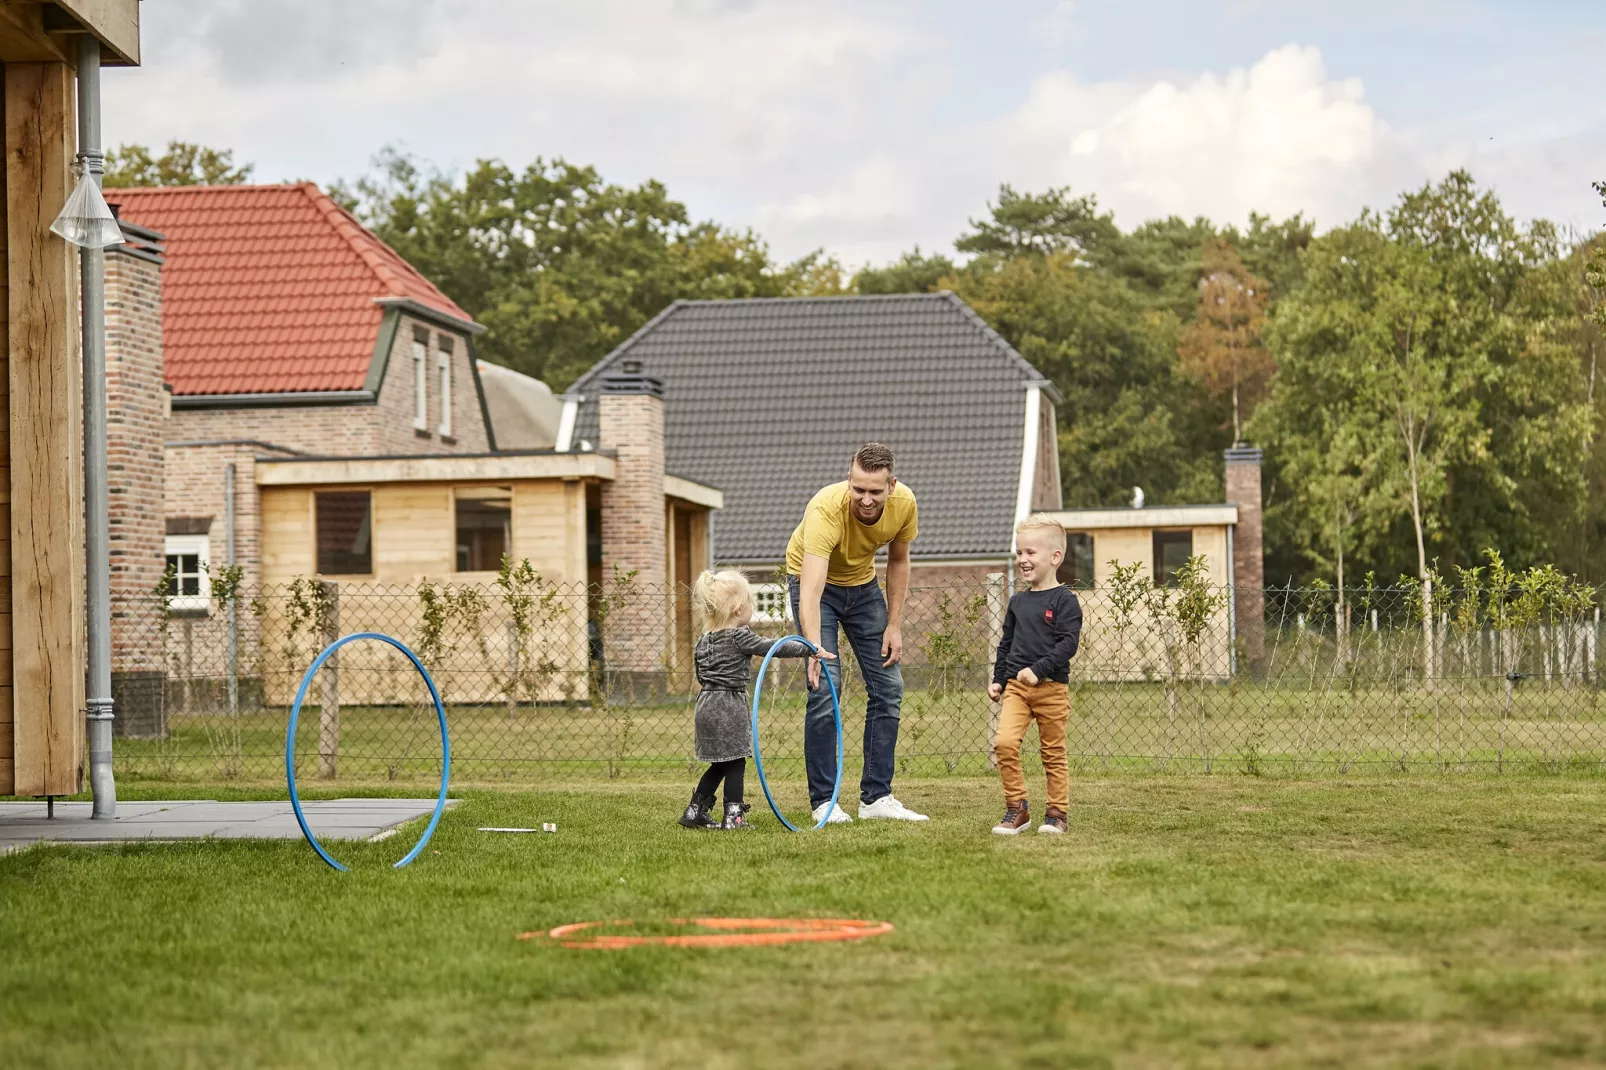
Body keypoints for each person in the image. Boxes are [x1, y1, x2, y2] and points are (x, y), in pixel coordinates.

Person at [786, 442, 927, 824]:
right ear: (849, 480)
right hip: (815, 588)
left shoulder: (905, 504)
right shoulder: (825, 509)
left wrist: (894, 625)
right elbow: (812, 589)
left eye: (875, 492)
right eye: (858, 489)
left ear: (891, 485)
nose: (865, 499)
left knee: (889, 687)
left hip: (863, 589)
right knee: (825, 688)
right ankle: (824, 803)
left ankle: (877, 797)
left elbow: (899, 561)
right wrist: (813, 648)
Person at [680, 569, 832, 831]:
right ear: (739, 608)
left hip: (705, 704)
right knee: (737, 759)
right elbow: (773, 647)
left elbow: (700, 673)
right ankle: (734, 817)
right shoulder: (740, 635)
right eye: (751, 602)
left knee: (721, 762)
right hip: (729, 705)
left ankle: (695, 811)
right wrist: (810, 648)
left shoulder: (703, 641)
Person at [988, 514, 1083, 835]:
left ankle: (1057, 814)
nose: (1023, 560)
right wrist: (999, 679)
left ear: (1055, 557)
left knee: (1052, 753)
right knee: (1003, 743)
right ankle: (1018, 809)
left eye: (1030, 552)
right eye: (1019, 553)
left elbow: (1068, 644)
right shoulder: (1017, 602)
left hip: (1052, 689)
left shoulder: (1065, 601)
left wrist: (1038, 670)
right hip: (1016, 688)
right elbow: (1007, 643)